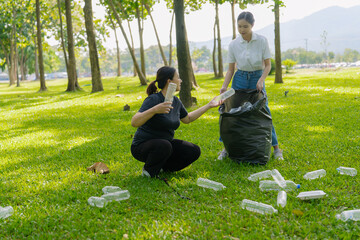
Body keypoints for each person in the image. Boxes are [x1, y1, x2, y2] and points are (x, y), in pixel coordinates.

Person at [131, 66, 221, 178]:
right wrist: (155, 110)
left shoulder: (176, 101)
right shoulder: (154, 99)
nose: (181, 80)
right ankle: (148, 171)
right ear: (169, 81)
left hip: (165, 145)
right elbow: (134, 122)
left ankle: (162, 167)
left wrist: (209, 105)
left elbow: (187, 119)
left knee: (193, 150)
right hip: (142, 146)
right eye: (178, 77)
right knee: (164, 145)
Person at [218, 11, 284, 161]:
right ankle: (226, 149)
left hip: (257, 78)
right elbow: (230, 69)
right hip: (239, 78)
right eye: (239, 26)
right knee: (231, 112)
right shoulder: (234, 44)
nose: (242, 30)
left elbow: (267, 65)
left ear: (252, 25)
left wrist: (261, 80)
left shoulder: (261, 40)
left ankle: (276, 149)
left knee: (263, 111)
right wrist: (224, 86)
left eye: (245, 27)